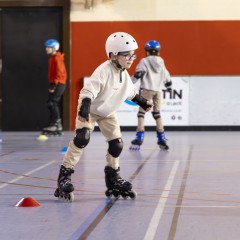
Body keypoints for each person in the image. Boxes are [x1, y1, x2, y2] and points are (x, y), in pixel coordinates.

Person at [54, 32, 153, 201]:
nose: (131, 58)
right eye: (127, 55)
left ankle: (113, 178)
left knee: (117, 145)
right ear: (113, 54)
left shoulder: (123, 73)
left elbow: (130, 93)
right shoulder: (103, 71)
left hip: (107, 113)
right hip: (90, 110)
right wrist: (84, 107)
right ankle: (64, 177)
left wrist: (143, 102)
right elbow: (88, 91)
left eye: (133, 55)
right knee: (82, 139)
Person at [129, 40, 172, 151]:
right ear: (158, 51)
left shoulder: (144, 61)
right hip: (158, 91)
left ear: (147, 51)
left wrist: (130, 82)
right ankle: (161, 137)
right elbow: (167, 78)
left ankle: (140, 137)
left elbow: (139, 73)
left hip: (146, 89)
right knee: (157, 113)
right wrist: (168, 83)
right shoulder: (161, 61)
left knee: (141, 113)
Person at [42, 39, 67, 135]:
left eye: (48, 47)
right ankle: (53, 123)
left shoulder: (57, 58)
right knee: (50, 102)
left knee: (52, 102)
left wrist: (54, 84)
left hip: (59, 83)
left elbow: (60, 73)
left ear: (53, 48)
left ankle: (57, 124)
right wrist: (52, 83)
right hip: (56, 83)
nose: (46, 49)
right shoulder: (52, 58)